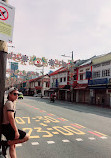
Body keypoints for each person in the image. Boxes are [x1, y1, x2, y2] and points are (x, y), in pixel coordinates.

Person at [2, 87, 29, 158]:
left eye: (17, 94)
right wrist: (16, 131)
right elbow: (11, 118)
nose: (17, 96)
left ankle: (8, 144)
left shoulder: (10, 102)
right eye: (14, 94)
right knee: (26, 137)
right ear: (10, 94)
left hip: (5, 127)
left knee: (12, 145)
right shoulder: (10, 103)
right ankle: (6, 143)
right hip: (7, 127)